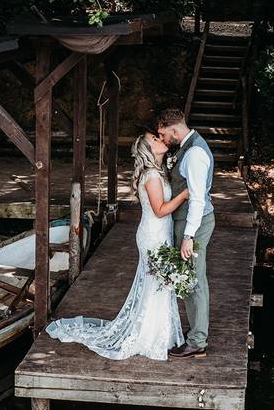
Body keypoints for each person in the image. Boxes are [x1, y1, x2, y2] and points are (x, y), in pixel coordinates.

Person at [44, 131, 190, 360]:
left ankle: (160, 333)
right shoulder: (151, 176)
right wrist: (184, 195)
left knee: (158, 284)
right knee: (156, 283)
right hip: (153, 235)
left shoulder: (158, 172)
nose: (161, 140)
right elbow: (160, 210)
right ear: (149, 150)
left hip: (160, 233)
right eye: (155, 140)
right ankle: (149, 337)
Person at [156, 108, 214, 358]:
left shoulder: (195, 154)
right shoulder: (186, 148)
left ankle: (198, 341)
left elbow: (198, 200)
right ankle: (195, 334)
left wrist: (189, 236)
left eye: (163, 134)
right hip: (189, 221)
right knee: (189, 278)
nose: (163, 139)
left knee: (194, 280)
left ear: (175, 130)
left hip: (196, 223)